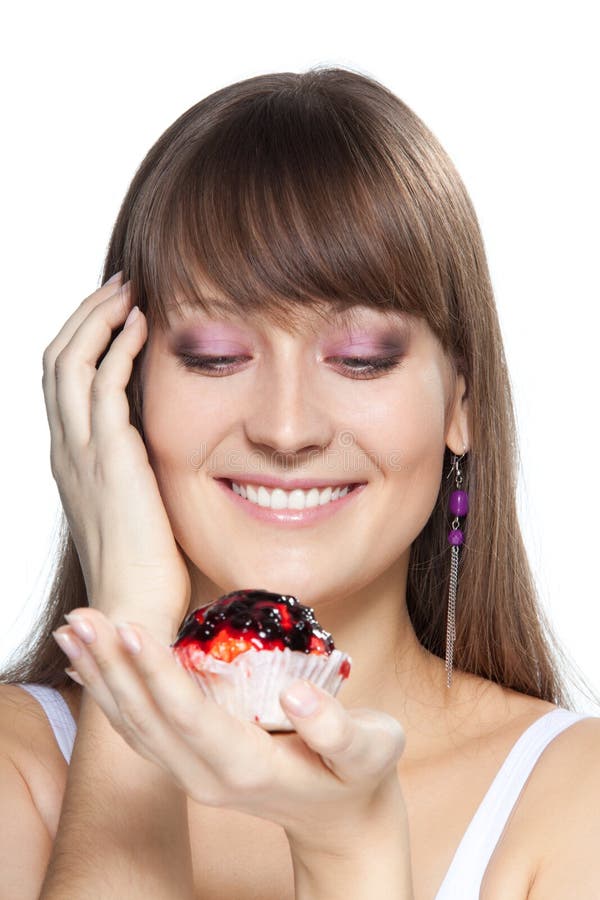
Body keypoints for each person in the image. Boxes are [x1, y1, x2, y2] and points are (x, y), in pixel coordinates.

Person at [1, 65, 599, 899]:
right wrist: (127, 639)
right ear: (122, 393)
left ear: (461, 400)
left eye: (360, 359)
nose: (286, 429)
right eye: (215, 356)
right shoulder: (19, 770)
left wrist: (349, 847)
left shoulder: (574, 798)